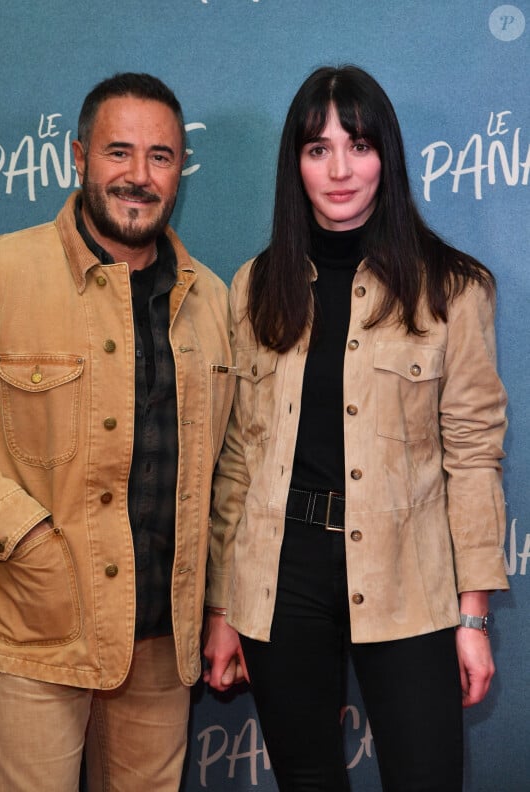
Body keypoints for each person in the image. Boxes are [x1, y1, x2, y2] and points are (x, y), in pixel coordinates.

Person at [203, 65, 509, 792]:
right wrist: (224, 605)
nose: (340, 169)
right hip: (281, 578)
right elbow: (241, 457)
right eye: (317, 149)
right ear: (295, 165)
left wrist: (474, 619)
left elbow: (473, 457)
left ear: (387, 157)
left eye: (359, 144)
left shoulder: (455, 288)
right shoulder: (255, 286)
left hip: (410, 575)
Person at [0, 72, 235, 791]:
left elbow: (231, 468)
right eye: (119, 152)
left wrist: (223, 602)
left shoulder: (212, 302)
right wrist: (25, 534)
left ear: (180, 170)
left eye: (161, 157)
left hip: (163, 648)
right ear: (78, 156)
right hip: (32, 631)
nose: (139, 177)